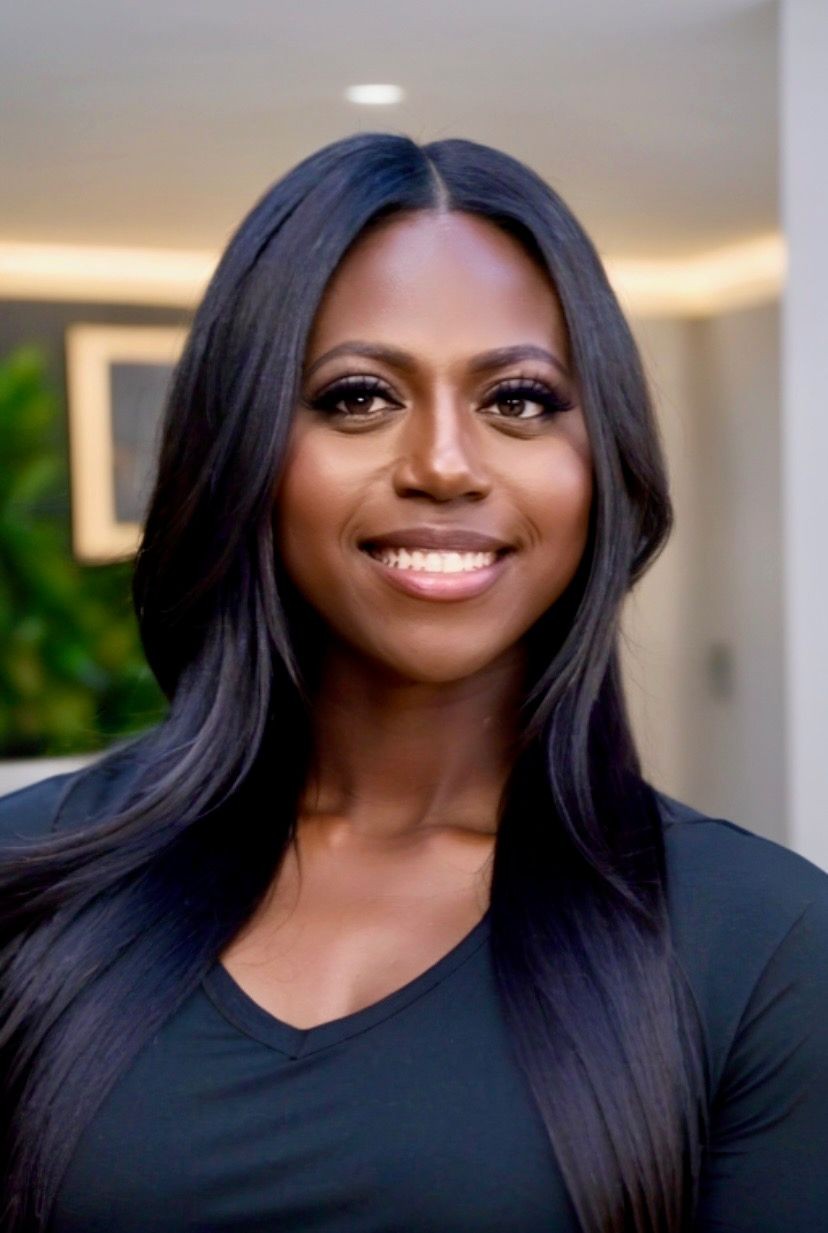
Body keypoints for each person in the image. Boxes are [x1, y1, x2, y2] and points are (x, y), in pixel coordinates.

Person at [1, 133, 826, 1233]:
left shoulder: (763, 943)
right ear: (245, 446)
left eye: (521, 401)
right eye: (357, 397)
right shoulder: (33, 881)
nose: (444, 463)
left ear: (604, 465)